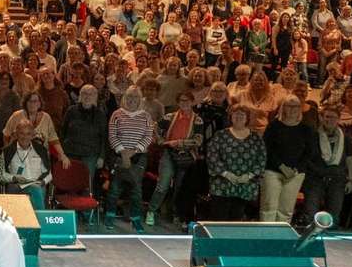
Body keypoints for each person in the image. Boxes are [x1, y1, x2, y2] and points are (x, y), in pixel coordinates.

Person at [146, 92, 204, 227]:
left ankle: (176, 213)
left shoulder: (197, 120)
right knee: (163, 185)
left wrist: (179, 143)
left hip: (186, 156)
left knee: (180, 187)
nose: (184, 103)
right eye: (182, 100)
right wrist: (162, 142)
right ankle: (151, 210)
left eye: (187, 100)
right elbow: (155, 128)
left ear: (192, 102)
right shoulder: (169, 116)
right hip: (169, 153)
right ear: (178, 102)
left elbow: (198, 140)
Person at [104, 86, 155, 231]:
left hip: (138, 157)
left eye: (136, 97)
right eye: (130, 96)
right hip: (119, 156)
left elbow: (148, 136)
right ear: (125, 98)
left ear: (140, 99)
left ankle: (135, 219)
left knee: (136, 190)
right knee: (114, 189)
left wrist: (133, 151)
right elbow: (112, 135)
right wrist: (123, 153)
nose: (132, 99)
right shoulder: (116, 114)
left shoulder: (146, 116)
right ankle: (110, 215)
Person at [206, 104, 266, 220]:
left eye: (242, 114)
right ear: (231, 117)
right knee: (219, 217)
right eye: (236, 114)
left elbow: (261, 159)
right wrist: (226, 174)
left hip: (245, 184)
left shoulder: (256, 138)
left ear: (247, 118)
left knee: (236, 218)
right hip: (222, 184)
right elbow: (212, 156)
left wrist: (249, 176)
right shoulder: (220, 135)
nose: (239, 117)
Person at [260, 96, 315, 223]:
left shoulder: (306, 129)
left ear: (300, 109)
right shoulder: (274, 126)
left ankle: (281, 233)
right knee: (269, 206)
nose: (292, 109)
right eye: (289, 106)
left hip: (295, 174)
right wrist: (282, 167)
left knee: (286, 209)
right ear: (283, 108)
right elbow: (267, 149)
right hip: (272, 171)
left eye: (295, 106)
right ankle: (266, 233)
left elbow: (310, 152)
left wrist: (296, 169)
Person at [303, 103, 352, 223]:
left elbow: (349, 159)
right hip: (315, 179)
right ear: (321, 118)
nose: (329, 120)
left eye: (333, 117)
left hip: (337, 180)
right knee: (311, 214)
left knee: (333, 216)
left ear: (338, 119)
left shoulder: (346, 138)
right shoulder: (312, 135)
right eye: (326, 116)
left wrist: (350, 180)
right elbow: (305, 157)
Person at [3, 120, 51, 209]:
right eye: (22, 133)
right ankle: (41, 217)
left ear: (32, 135)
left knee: (36, 189)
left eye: (28, 134)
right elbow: (1, 174)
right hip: (16, 185)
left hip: (37, 184)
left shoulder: (41, 150)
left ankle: (34, 216)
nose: (25, 137)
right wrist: (14, 178)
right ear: (16, 134)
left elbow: (49, 173)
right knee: (36, 190)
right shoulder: (7, 151)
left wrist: (43, 182)